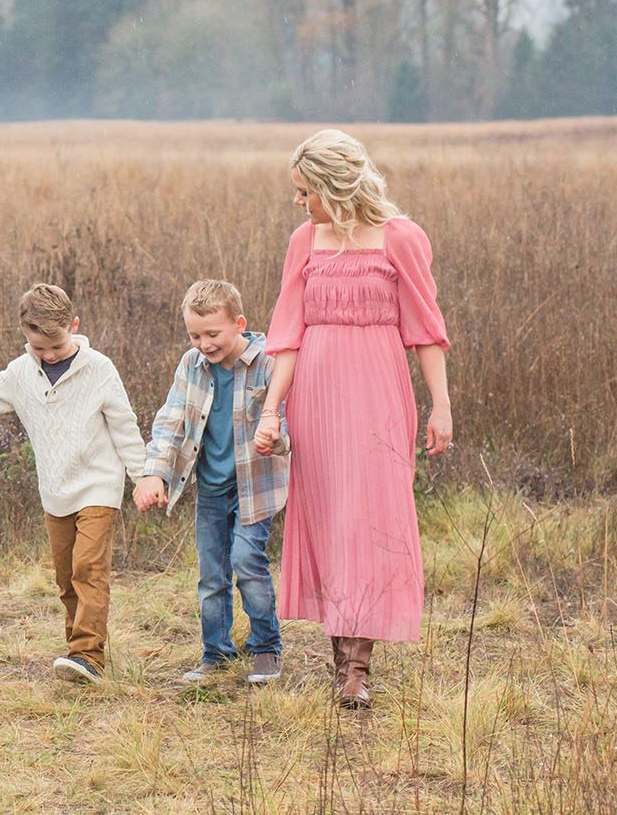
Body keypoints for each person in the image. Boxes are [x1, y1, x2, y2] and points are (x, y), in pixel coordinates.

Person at [251, 129, 452, 708]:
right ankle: (347, 668)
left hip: (380, 390)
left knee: (371, 515)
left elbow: (425, 330)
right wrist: (272, 412)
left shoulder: (402, 238)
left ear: (334, 186)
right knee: (332, 516)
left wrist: (440, 404)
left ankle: (358, 666)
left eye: (304, 191)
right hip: (316, 391)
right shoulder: (303, 242)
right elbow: (286, 334)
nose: (298, 202)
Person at [0, 284, 152, 684]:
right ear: (25, 335)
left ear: (73, 326)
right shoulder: (19, 374)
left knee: (88, 568)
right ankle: (77, 654)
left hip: (99, 484)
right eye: (38, 348)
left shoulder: (99, 369)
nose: (48, 355)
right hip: (56, 491)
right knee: (66, 578)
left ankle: (89, 655)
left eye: (56, 346)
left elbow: (124, 427)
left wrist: (143, 476)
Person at [137, 279, 290, 685]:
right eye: (195, 335)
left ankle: (266, 648)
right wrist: (155, 472)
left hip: (255, 486)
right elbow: (171, 421)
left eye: (213, 334)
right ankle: (216, 654)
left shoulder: (268, 363)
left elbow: (289, 419)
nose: (204, 343)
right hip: (211, 487)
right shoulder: (192, 365)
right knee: (210, 574)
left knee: (247, 563)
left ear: (239, 323)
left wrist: (275, 436)